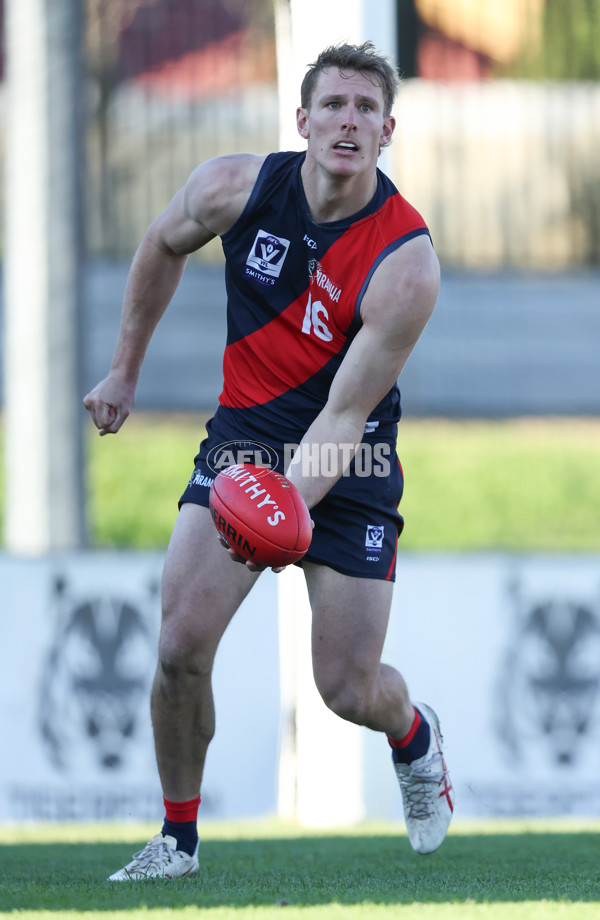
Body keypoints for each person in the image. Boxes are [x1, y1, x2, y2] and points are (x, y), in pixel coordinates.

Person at [84, 41, 454, 881]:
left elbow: (345, 412)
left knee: (347, 689)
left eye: (366, 109)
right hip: (243, 439)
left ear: (388, 130)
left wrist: (283, 507)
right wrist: (124, 369)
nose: (348, 122)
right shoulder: (235, 187)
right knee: (180, 646)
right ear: (302, 120)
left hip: (348, 463)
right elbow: (159, 244)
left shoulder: (407, 263)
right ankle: (177, 840)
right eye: (334, 105)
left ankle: (416, 736)